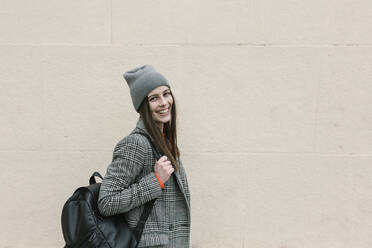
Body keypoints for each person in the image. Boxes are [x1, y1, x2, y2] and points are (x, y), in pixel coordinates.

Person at [98, 65, 190, 248]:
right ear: (142, 107)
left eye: (166, 93)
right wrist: (155, 181)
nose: (164, 102)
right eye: (153, 98)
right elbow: (107, 202)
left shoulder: (164, 141)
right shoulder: (136, 144)